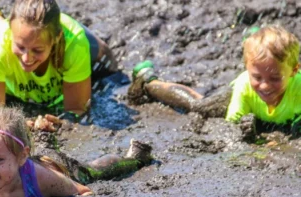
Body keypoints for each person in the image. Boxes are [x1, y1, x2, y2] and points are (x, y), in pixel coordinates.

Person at [128, 25, 301, 135]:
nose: (265, 85)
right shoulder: (245, 86)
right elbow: (231, 126)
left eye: (275, 78)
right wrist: (247, 131)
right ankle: (148, 80)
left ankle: (254, 36)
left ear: (294, 70)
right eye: (257, 77)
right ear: (247, 69)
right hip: (239, 93)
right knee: (199, 106)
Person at [0, 0, 117, 129]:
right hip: (1, 40)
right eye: (20, 47)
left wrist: (62, 123)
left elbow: (76, 109)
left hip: (82, 48)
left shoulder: (74, 44)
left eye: (37, 50)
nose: (26, 58)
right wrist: (21, 126)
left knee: (109, 71)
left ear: (57, 38)